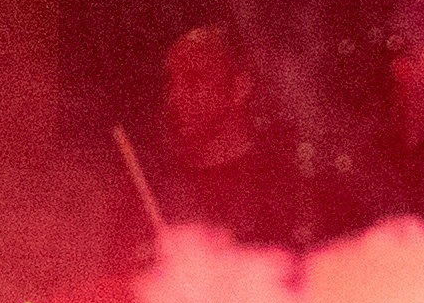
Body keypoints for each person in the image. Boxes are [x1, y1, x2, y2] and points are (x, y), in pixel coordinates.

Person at [132, 26, 319, 250]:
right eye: (172, 83)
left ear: (240, 88)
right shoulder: (153, 190)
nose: (175, 97)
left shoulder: (286, 187)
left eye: (193, 80)